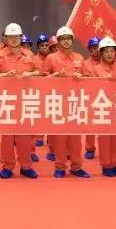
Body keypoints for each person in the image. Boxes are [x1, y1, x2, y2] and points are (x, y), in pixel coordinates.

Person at [0, 23, 39, 179]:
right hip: (6, 101)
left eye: (16, 36)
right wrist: (4, 76)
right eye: (10, 37)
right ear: (5, 38)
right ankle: (7, 166)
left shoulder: (29, 55)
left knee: (24, 137)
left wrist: (31, 74)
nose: (13, 39)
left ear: (21, 37)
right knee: (7, 138)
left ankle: (26, 166)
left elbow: (40, 72)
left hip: (24, 101)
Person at [44, 26, 90, 178]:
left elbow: (89, 79)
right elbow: (42, 80)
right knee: (60, 138)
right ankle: (60, 167)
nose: (66, 41)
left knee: (76, 138)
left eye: (68, 39)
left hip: (75, 102)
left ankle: (76, 167)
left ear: (72, 40)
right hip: (58, 102)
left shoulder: (79, 58)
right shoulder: (51, 58)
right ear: (58, 41)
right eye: (63, 39)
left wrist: (81, 77)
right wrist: (55, 76)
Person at [83, 37, 116, 177]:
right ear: (101, 53)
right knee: (104, 138)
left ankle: (115, 164)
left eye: (112, 51)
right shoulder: (96, 69)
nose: (109, 54)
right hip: (102, 107)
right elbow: (92, 89)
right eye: (106, 51)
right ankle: (106, 165)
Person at [81, 35, 101, 160]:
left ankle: (106, 149)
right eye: (93, 48)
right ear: (89, 49)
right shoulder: (85, 64)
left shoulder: (108, 62)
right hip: (90, 98)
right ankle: (89, 148)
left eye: (98, 47)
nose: (96, 50)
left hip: (105, 99)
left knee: (106, 126)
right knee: (91, 126)